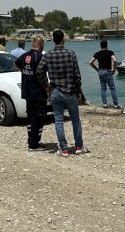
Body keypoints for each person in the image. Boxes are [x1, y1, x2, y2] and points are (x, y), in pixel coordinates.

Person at [36, 29, 87, 157]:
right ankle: (79, 147)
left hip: (55, 91)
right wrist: (79, 90)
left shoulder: (48, 55)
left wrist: (47, 86)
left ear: (53, 40)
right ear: (63, 39)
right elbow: (77, 75)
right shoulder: (71, 54)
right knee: (75, 120)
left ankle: (63, 149)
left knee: (58, 120)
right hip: (70, 91)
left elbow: (39, 71)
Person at [14, 36, 48, 151]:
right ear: (41, 44)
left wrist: (26, 72)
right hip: (37, 92)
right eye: (43, 43)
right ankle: (34, 144)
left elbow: (16, 64)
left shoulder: (25, 55)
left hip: (27, 91)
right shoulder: (40, 57)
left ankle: (31, 139)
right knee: (38, 117)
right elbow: (42, 74)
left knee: (30, 116)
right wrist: (47, 87)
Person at [89, 40, 120, 109]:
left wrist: (97, 69)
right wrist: (114, 70)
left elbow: (90, 62)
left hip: (100, 72)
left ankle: (105, 104)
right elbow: (115, 61)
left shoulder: (97, 53)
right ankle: (115, 105)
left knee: (103, 88)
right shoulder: (110, 52)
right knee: (112, 88)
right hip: (107, 71)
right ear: (107, 45)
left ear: (100, 46)